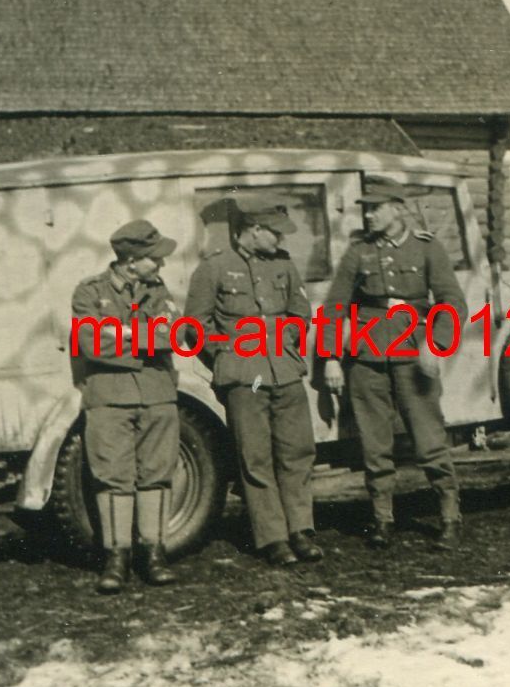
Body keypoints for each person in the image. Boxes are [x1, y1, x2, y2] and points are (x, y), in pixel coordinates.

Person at [323, 191, 468, 550]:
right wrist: (329, 356)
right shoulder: (359, 251)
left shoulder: (427, 248)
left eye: (376, 208)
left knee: (429, 441)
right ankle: (382, 519)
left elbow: (453, 303)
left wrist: (435, 344)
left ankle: (449, 517)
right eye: (366, 209)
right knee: (374, 446)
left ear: (397, 208)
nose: (369, 215)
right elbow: (335, 305)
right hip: (366, 358)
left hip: (412, 355)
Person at [184, 193, 322, 567]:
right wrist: (227, 357)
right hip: (246, 378)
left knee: (297, 451)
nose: (281, 241)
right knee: (256, 457)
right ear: (254, 230)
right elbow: (195, 327)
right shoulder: (213, 268)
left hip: (286, 371)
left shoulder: (283, 265)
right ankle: (273, 537)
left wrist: (285, 343)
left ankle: (301, 530)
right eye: (275, 233)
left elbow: (299, 311)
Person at [71, 219, 181, 594]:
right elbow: (91, 345)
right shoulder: (89, 292)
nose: (161, 265)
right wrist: (148, 337)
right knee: (112, 478)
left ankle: (154, 555)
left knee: (157, 474)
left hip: (157, 395)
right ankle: (116, 560)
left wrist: (123, 334)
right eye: (155, 258)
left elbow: (176, 335)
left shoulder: (158, 290)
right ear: (131, 260)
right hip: (109, 399)